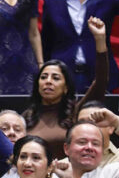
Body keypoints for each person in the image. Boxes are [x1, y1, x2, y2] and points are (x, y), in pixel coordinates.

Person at [22, 17, 109, 159]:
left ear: (66, 88)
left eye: (55, 78)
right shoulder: (27, 116)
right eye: (43, 77)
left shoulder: (76, 113)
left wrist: (100, 40)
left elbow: (100, 82)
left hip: (68, 171)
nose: (48, 82)